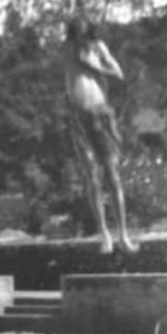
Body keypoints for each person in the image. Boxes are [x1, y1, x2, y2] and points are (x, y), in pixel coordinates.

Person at [63, 17, 137, 254]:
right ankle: (104, 233)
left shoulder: (99, 48)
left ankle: (123, 235)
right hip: (79, 117)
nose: (80, 38)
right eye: (76, 34)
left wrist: (94, 66)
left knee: (113, 175)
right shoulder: (68, 50)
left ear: (90, 34)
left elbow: (118, 74)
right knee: (91, 175)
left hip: (102, 114)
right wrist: (81, 58)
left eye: (84, 34)